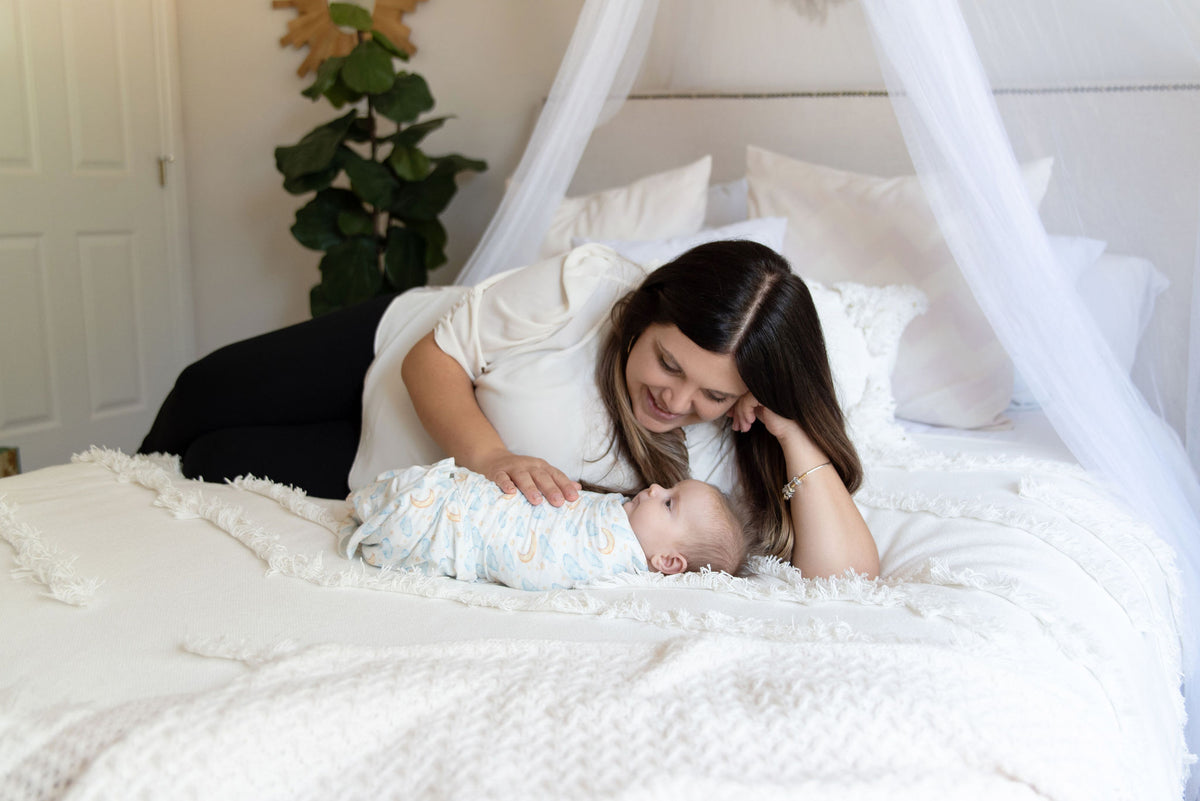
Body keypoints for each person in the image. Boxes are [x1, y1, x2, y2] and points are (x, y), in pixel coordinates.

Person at [140, 240, 878, 578]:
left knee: (211, 457)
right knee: (200, 390)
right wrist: (493, 458)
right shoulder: (588, 290)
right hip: (395, 359)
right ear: (646, 313)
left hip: (398, 471)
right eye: (667, 363)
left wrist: (793, 433)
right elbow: (431, 360)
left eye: (713, 394)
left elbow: (849, 579)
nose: (676, 400)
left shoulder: (723, 458)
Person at [340, 458, 747, 590]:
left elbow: (537, 563)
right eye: (668, 488)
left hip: (463, 527)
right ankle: (390, 503)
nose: (655, 488)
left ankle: (394, 514)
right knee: (417, 491)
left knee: (417, 514)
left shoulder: (610, 559)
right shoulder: (618, 511)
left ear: (668, 562)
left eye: (669, 503)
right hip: (475, 496)